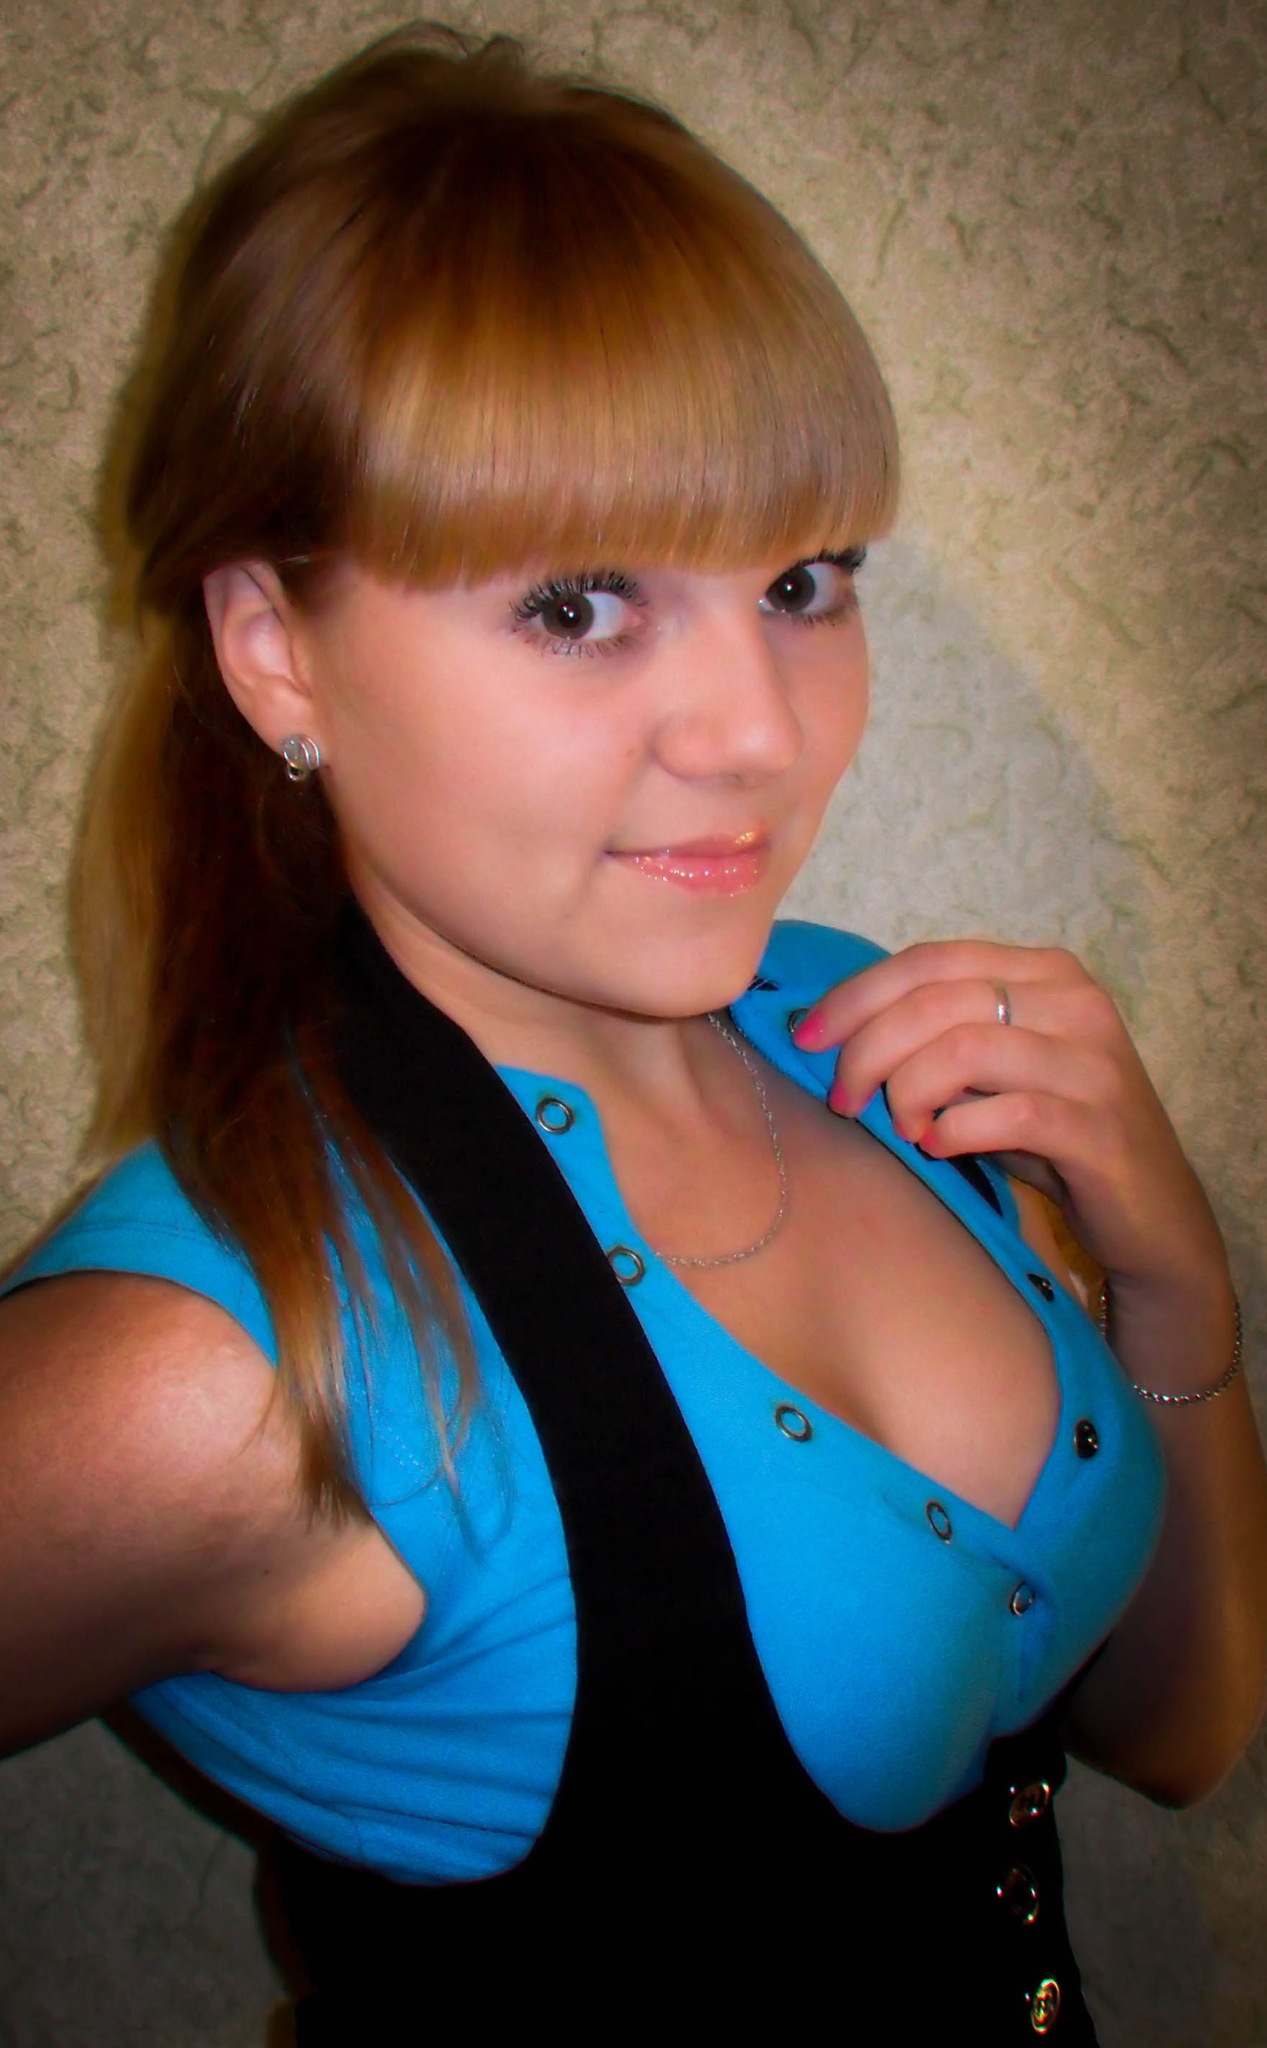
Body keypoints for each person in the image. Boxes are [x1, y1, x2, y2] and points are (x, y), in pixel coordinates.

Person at [2, 25, 1264, 2042]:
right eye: (578, 603)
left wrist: (1174, 1279)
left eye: (803, 579)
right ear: (275, 651)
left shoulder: (862, 1033)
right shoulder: (218, 1367)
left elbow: (1177, 1735)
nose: (762, 734)